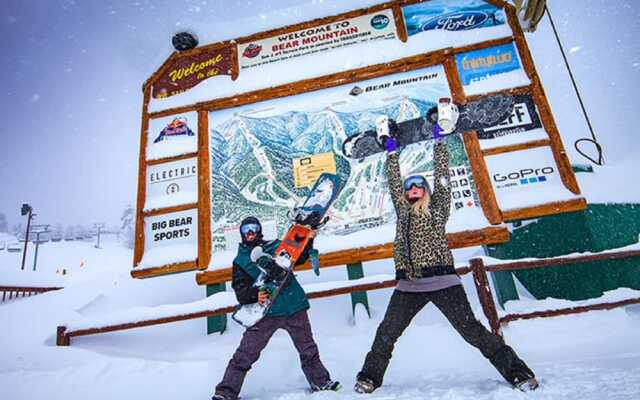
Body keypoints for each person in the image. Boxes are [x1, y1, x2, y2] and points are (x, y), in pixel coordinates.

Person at [354, 124, 538, 394]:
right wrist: (391, 153)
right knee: (386, 333)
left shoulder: (437, 209)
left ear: (426, 190)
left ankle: (518, 374)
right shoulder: (403, 212)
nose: (412, 188)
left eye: (418, 185)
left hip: (443, 281)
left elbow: (443, 178)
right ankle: (369, 378)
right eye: (409, 186)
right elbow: (393, 183)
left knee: (472, 332)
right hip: (409, 285)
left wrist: (439, 144)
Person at [212, 216, 340, 400]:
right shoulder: (240, 261)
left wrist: (309, 237)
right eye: (246, 229)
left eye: (253, 228)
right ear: (241, 232)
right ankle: (225, 392)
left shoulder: (276, 247)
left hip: (292, 306)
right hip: (265, 312)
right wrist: (253, 295)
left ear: (259, 230)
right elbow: (240, 290)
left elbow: (301, 256)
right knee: (245, 354)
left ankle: (321, 382)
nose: (250, 233)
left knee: (308, 349)